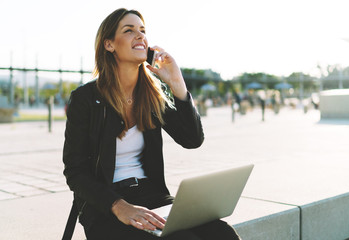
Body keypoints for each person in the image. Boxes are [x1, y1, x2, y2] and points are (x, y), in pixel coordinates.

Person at [62, 8, 241, 240]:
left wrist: (177, 84)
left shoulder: (152, 94)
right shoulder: (85, 99)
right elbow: (75, 172)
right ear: (109, 44)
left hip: (152, 196)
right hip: (105, 206)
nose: (140, 36)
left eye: (143, 30)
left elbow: (192, 140)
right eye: (129, 30)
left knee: (221, 233)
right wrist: (119, 206)